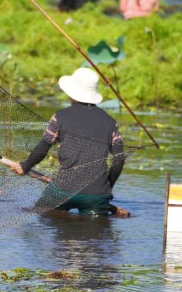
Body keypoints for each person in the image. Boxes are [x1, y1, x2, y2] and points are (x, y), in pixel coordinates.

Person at [10, 67, 128, 217]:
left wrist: (25, 166)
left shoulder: (60, 117)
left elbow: (43, 148)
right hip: (97, 196)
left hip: (63, 191)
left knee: (42, 215)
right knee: (98, 231)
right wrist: (105, 187)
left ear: (72, 93)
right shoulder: (110, 122)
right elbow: (119, 159)